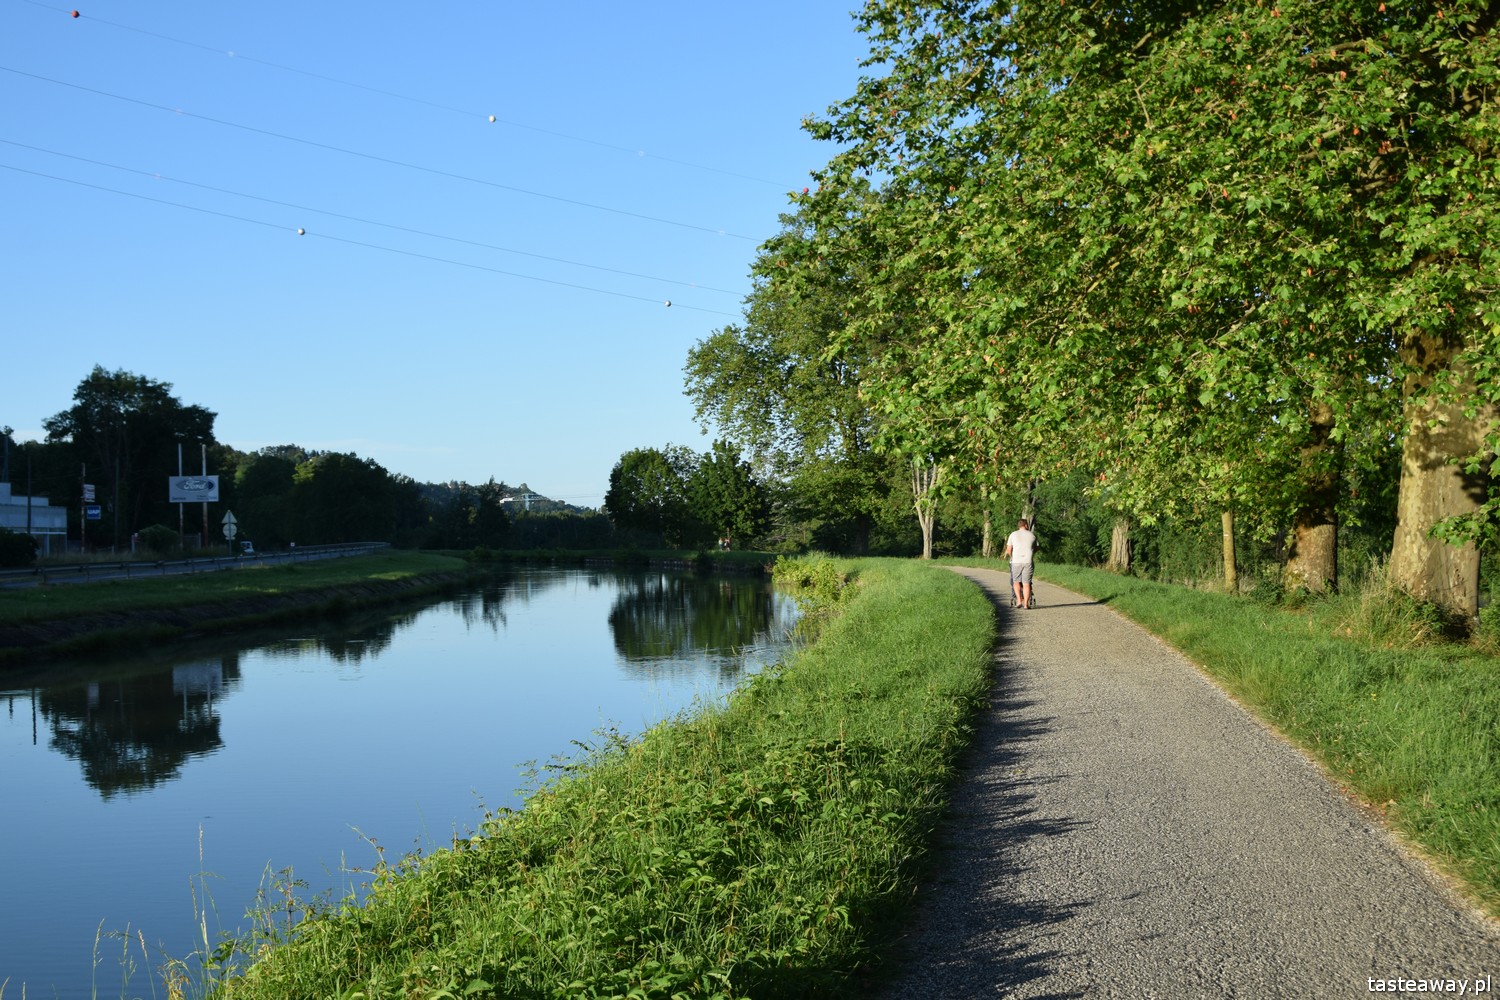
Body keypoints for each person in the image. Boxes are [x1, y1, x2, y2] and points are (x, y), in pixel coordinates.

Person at [1004, 518, 1037, 609]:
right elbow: (1037, 547)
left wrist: (1012, 556)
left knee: (1016, 582)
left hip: (1016, 562)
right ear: (1026, 525)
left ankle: (1019, 601)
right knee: (1026, 583)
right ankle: (1026, 604)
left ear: (1019, 526)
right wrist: (1032, 552)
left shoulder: (1013, 534)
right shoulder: (1032, 535)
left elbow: (1009, 549)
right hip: (1028, 561)